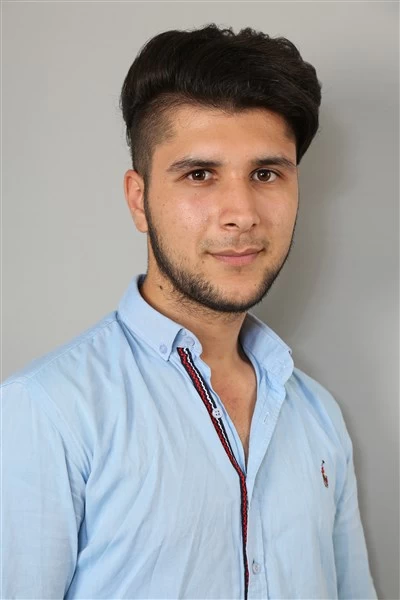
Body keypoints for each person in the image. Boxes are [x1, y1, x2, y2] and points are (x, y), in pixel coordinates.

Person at [1, 24, 377, 600]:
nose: (241, 212)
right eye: (200, 175)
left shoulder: (319, 415)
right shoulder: (46, 413)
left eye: (266, 174)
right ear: (139, 200)